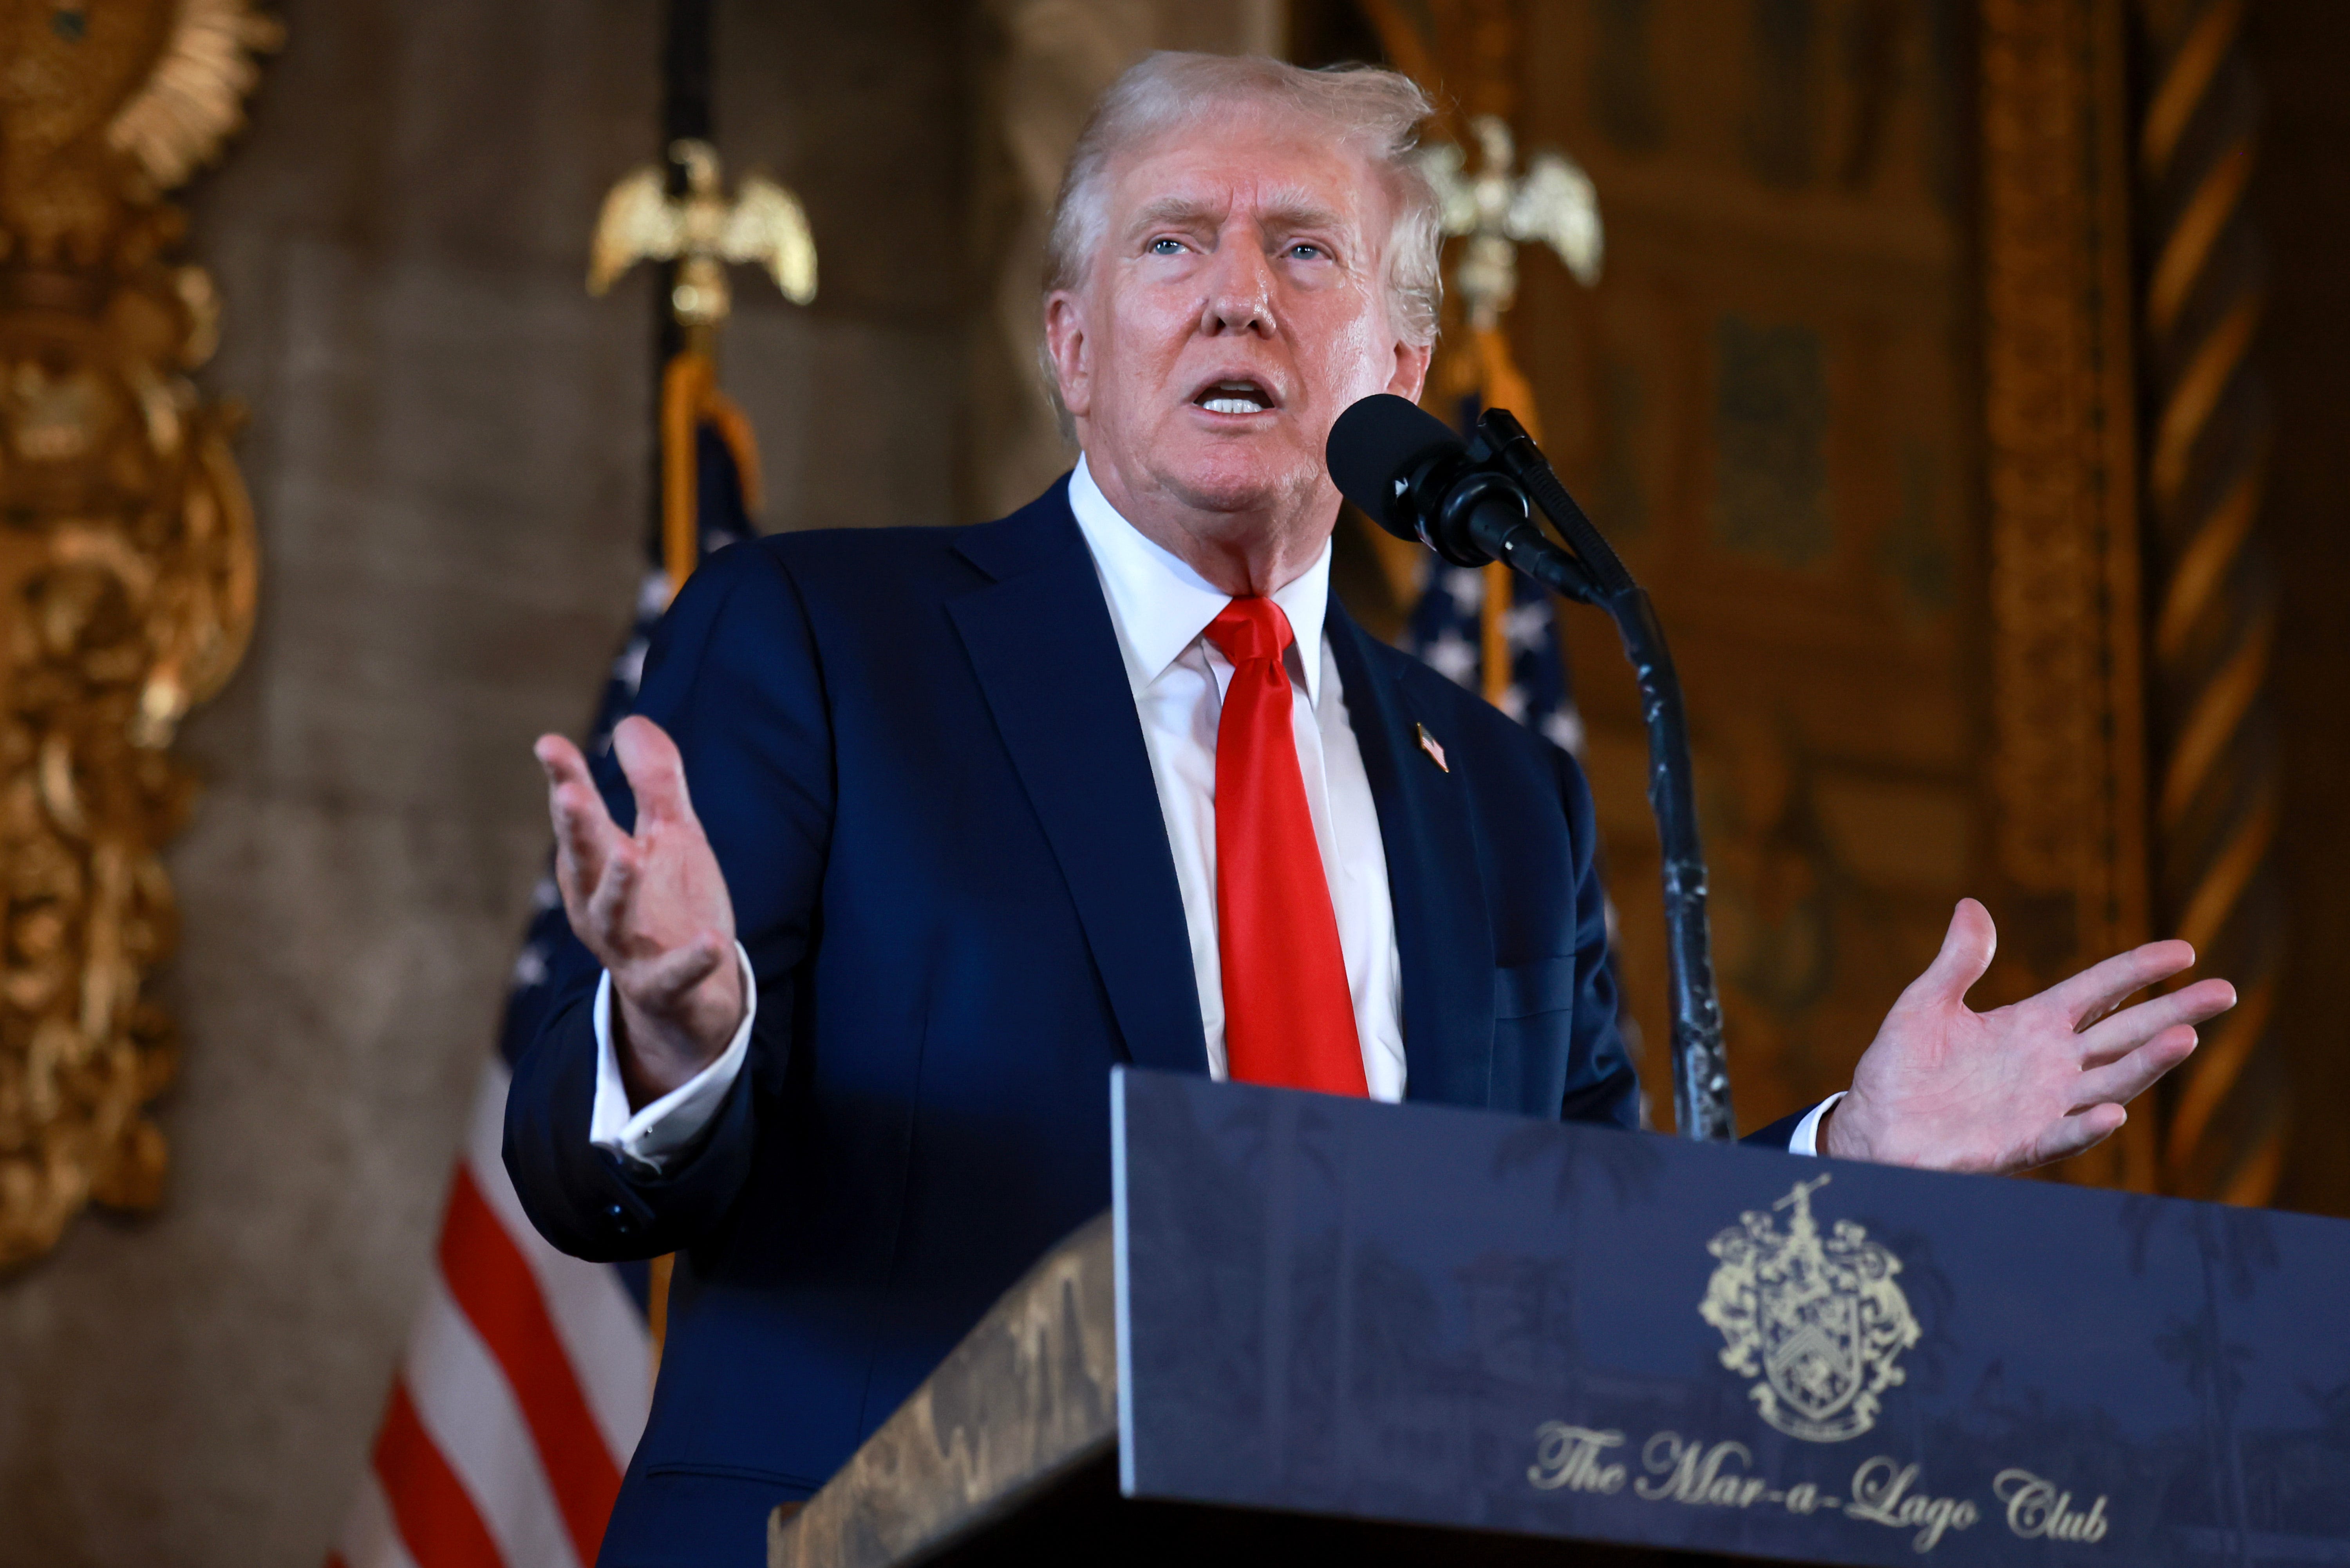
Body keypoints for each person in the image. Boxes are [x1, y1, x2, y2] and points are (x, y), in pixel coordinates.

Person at [505, 53, 2236, 1567]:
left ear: (1397, 362)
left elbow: (1594, 1271)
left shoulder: (1504, 799)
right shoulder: (825, 641)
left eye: (1304, 252)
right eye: (1173, 242)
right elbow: (591, 1183)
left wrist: (1854, 1161)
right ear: (1075, 345)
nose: (1236, 296)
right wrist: (678, 1031)